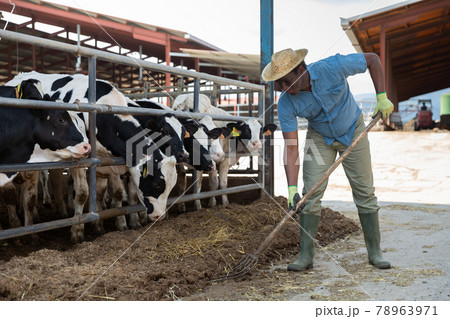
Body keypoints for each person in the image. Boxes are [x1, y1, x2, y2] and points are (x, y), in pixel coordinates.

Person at [261, 48, 393, 271]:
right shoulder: (286, 102)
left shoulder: (332, 67)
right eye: (279, 84)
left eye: (286, 82)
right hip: (320, 138)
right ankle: (305, 256)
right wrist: (291, 188)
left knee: (364, 192)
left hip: (352, 129)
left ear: (301, 70)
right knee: (309, 195)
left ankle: (375, 253)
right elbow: (291, 147)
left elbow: (373, 59)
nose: (284, 89)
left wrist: (381, 97)